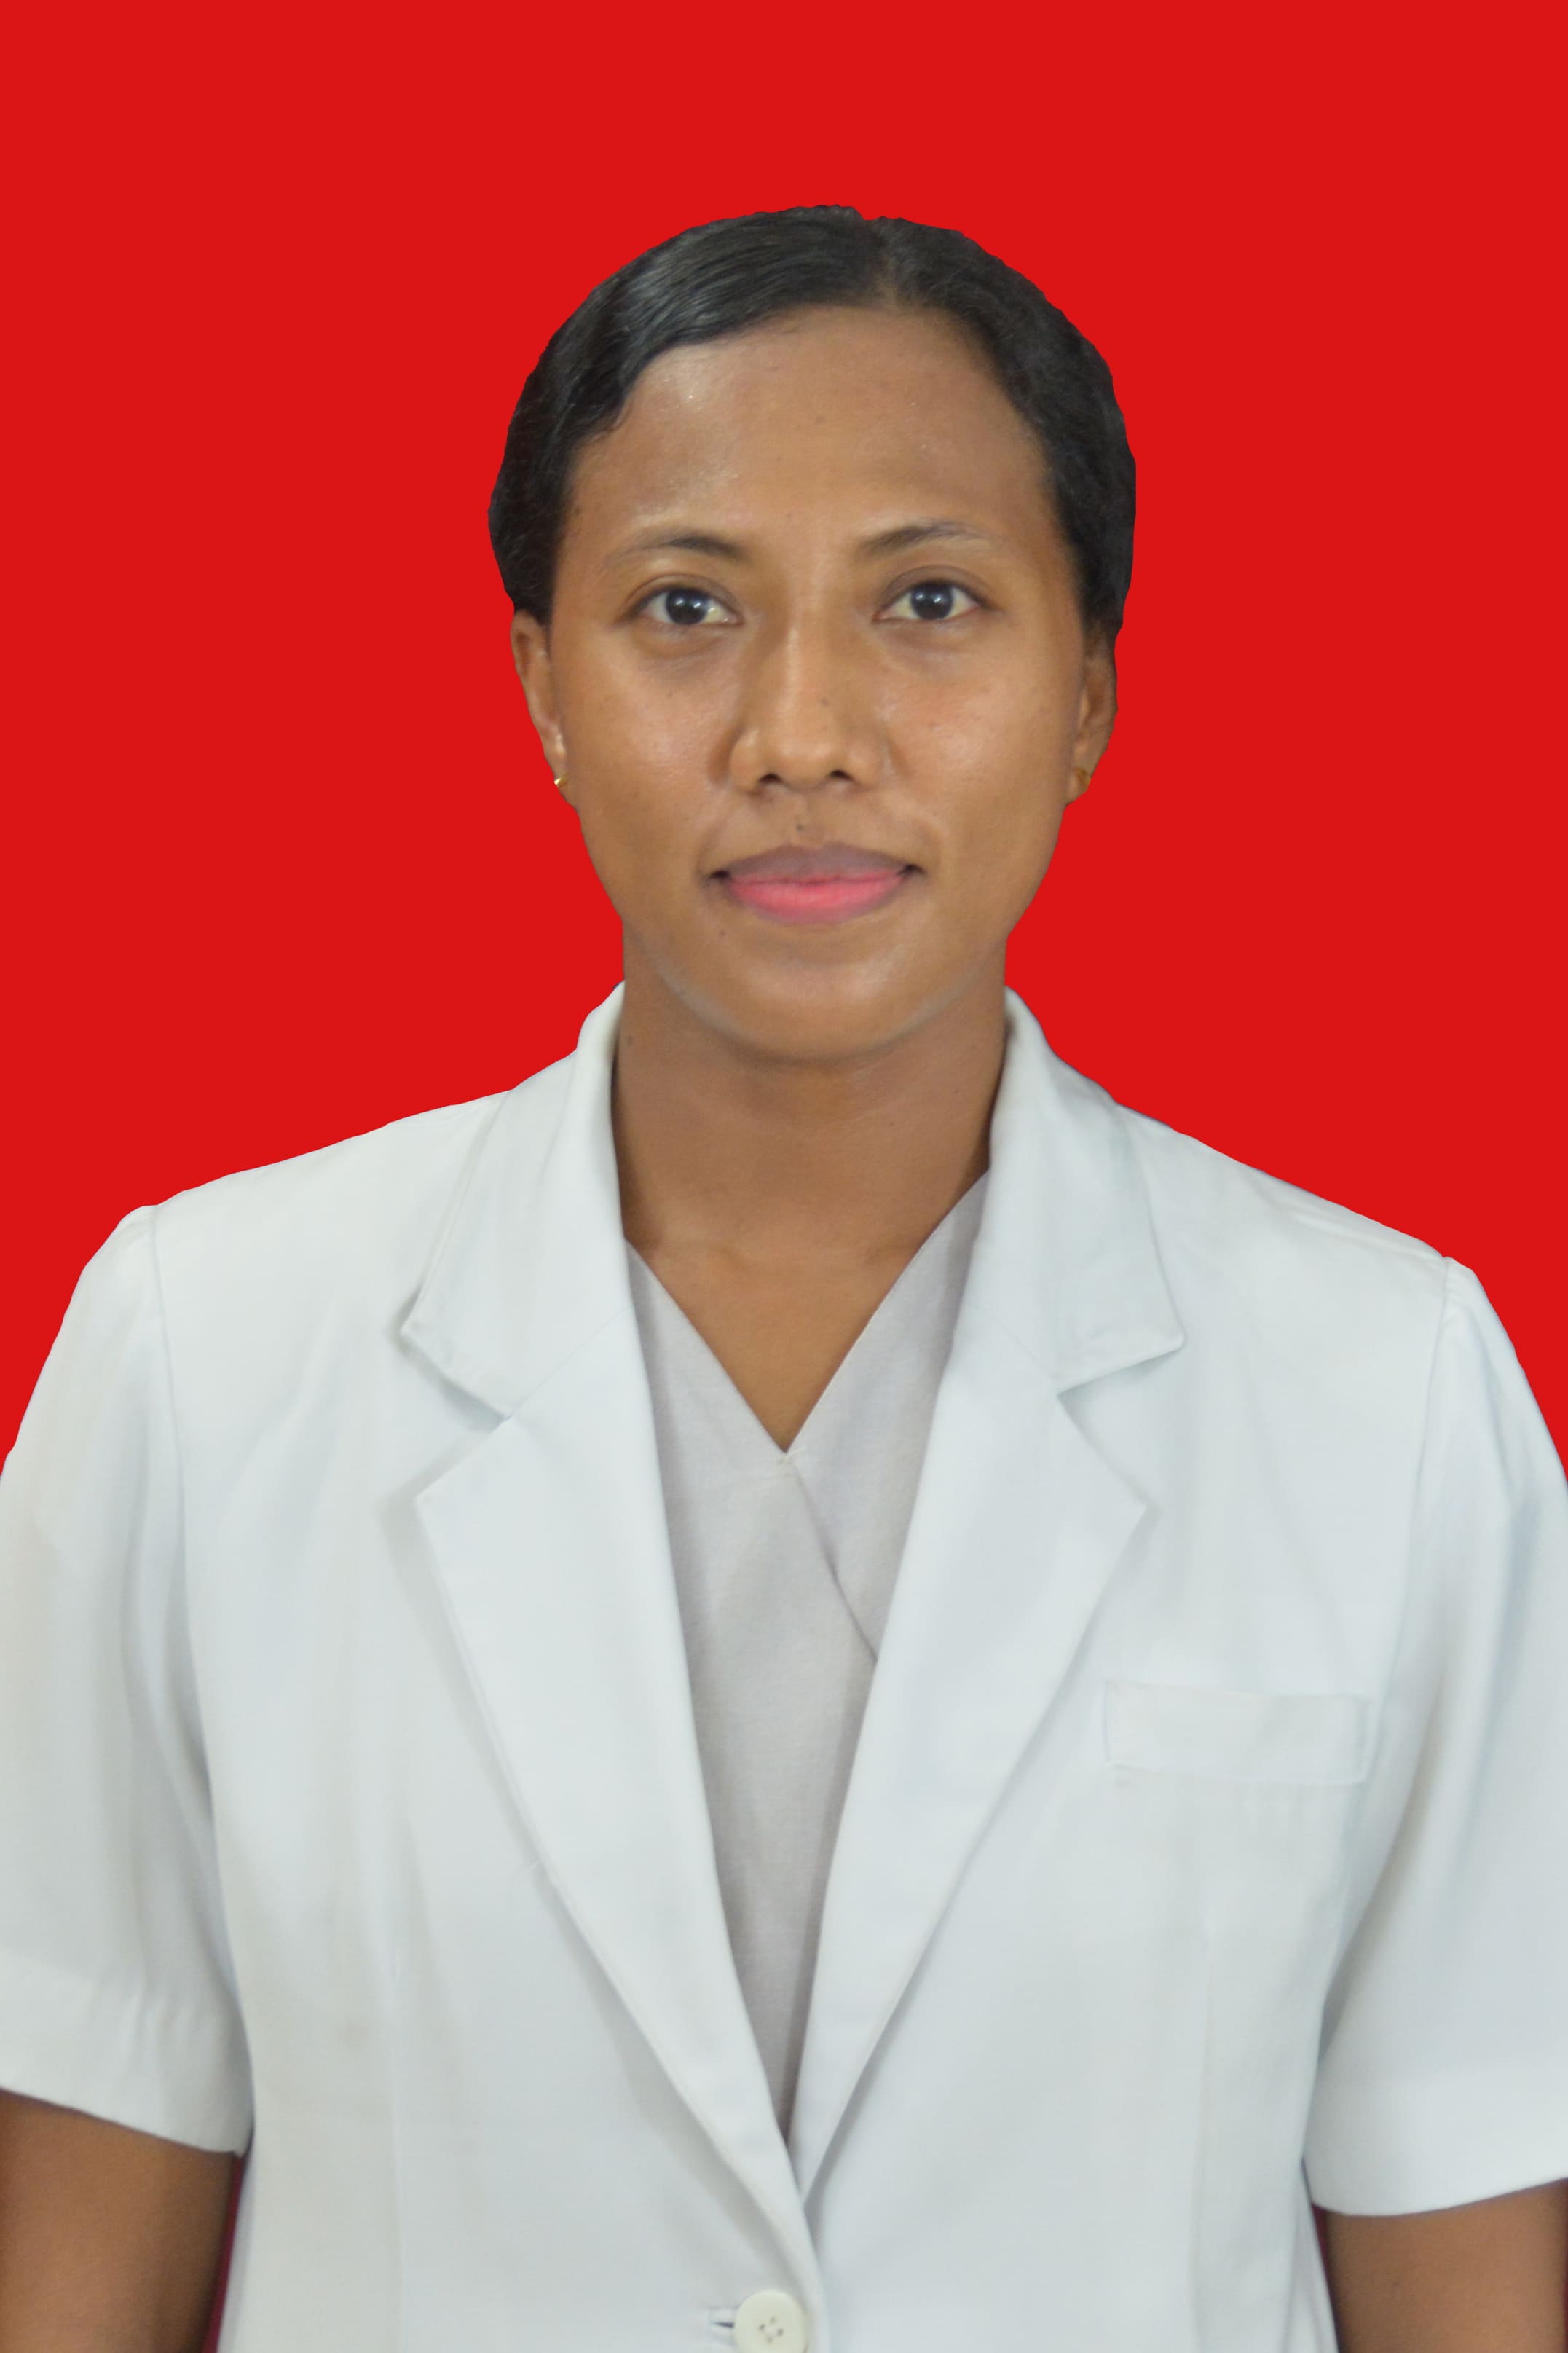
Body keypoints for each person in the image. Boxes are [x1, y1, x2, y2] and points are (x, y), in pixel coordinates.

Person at [0, 205, 1564, 2353]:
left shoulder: (1383, 1389)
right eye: (684, 608)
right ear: (541, 687)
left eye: (930, 602)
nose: (803, 732)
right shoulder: (205, 1355)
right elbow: (81, 2250)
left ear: (1090, 688)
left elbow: (1463, 2258)